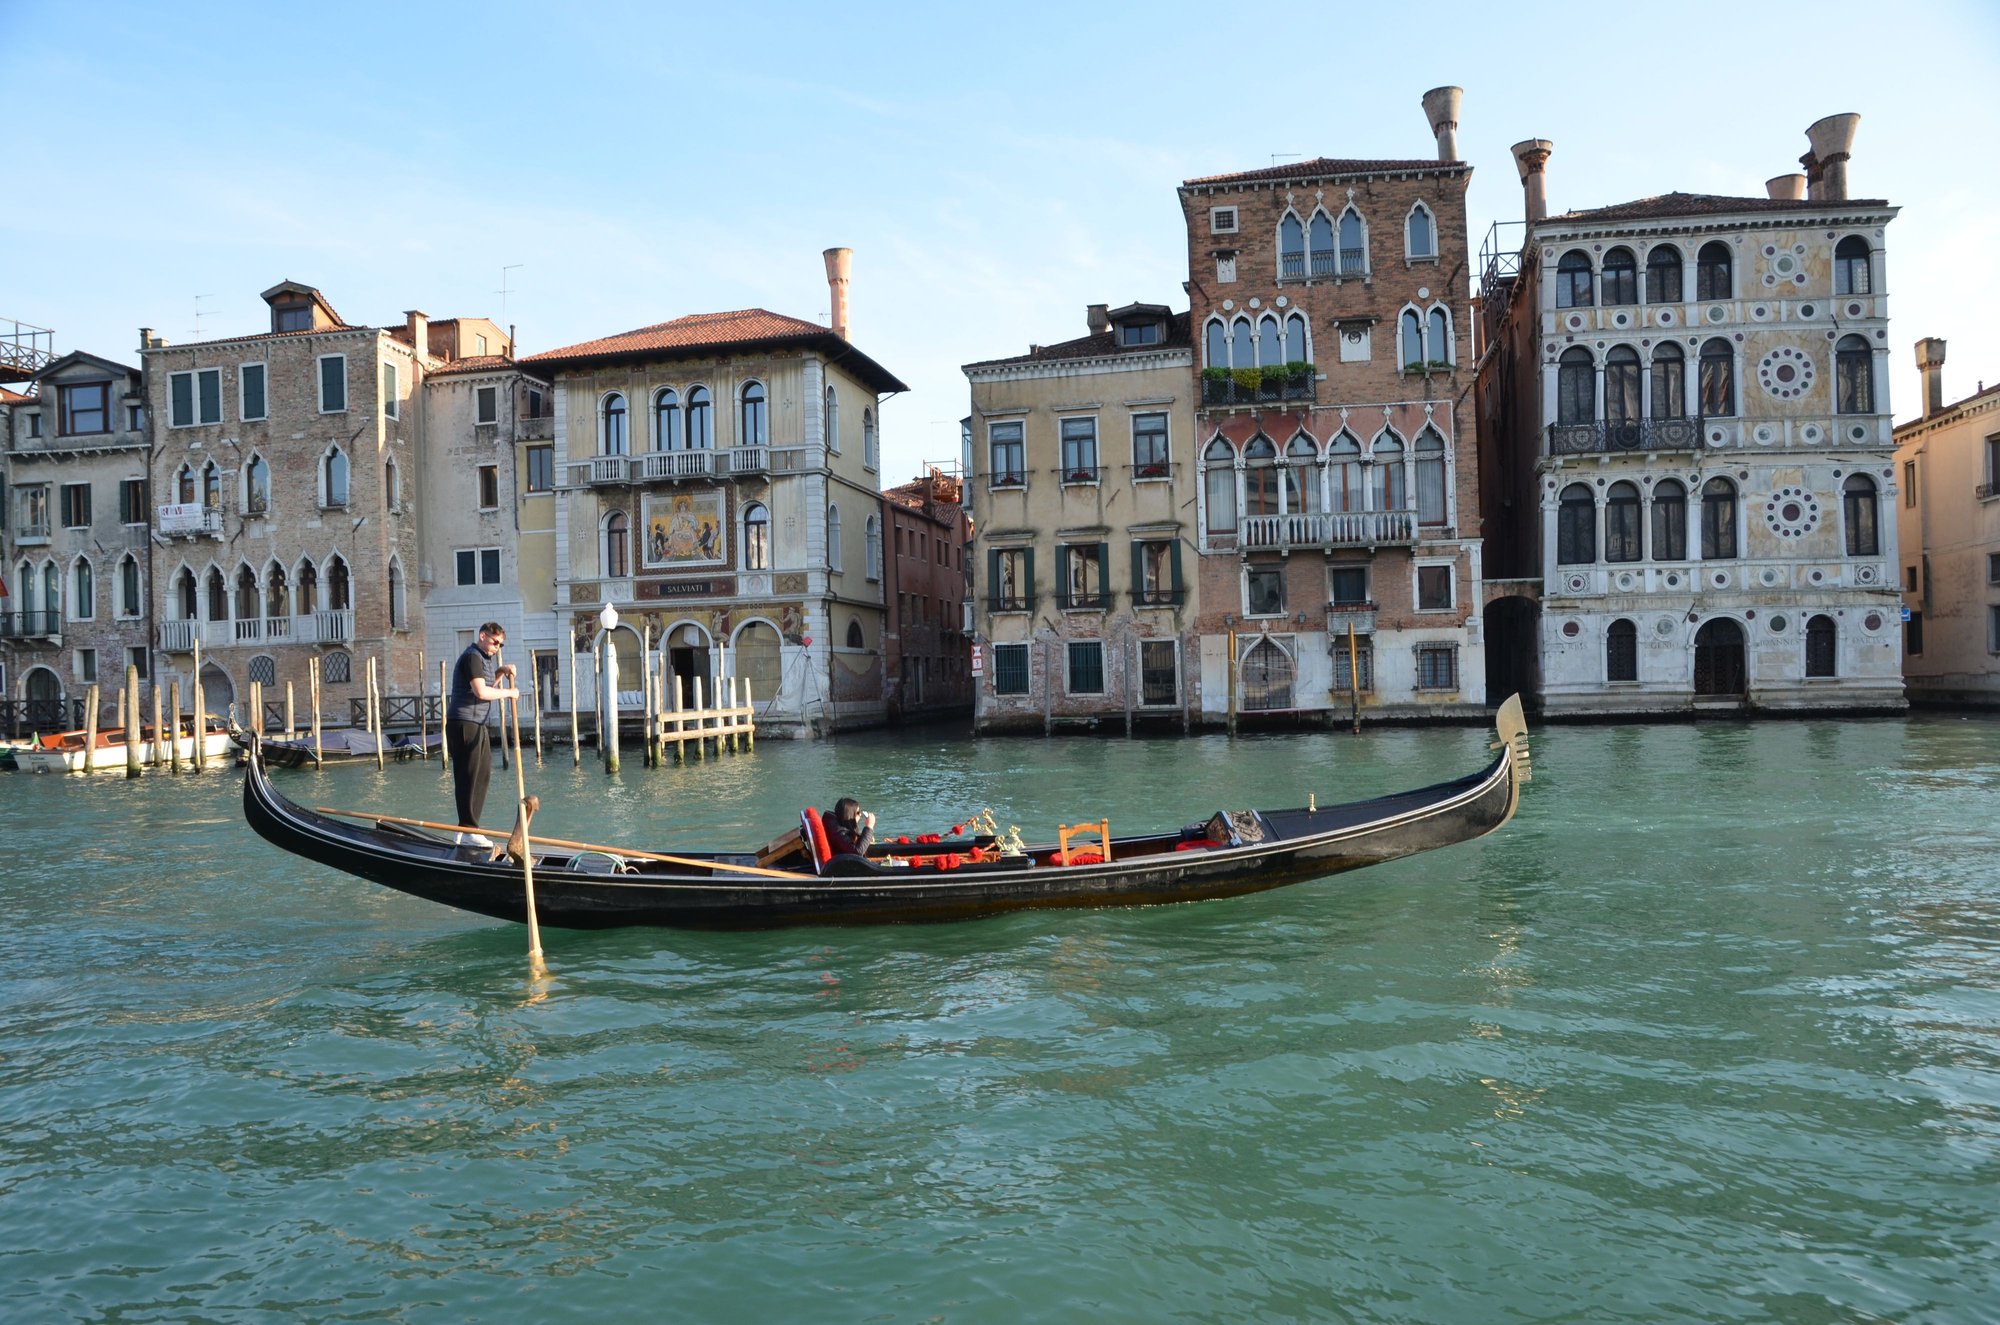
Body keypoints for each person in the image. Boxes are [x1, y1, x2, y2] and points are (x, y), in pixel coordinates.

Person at [446, 622, 518, 849]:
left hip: (476, 723)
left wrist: (500, 672)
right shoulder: (472, 657)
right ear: (483, 636)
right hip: (465, 723)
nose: (498, 647)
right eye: (495, 642)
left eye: (501, 644)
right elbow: (481, 692)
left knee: (482, 774)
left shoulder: (482, 660)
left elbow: (484, 685)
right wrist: (509, 693)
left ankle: (465, 829)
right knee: (470, 776)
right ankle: (469, 830)